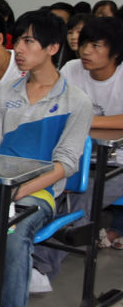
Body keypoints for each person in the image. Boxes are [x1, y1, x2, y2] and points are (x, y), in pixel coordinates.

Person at [0, 10, 93, 307]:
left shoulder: (76, 100)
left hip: (39, 193)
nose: (18, 49)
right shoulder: (7, 92)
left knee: (14, 235)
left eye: (28, 42)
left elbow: (66, 163)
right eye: (18, 40)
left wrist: (17, 192)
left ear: (53, 47)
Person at [59, 17, 123, 250]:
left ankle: (46, 262)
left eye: (96, 46)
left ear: (116, 53)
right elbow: (56, 112)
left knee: (83, 193)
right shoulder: (71, 69)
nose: (85, 51)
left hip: (118, 164)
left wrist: (86, 120)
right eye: (84, 43)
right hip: (77, 156)